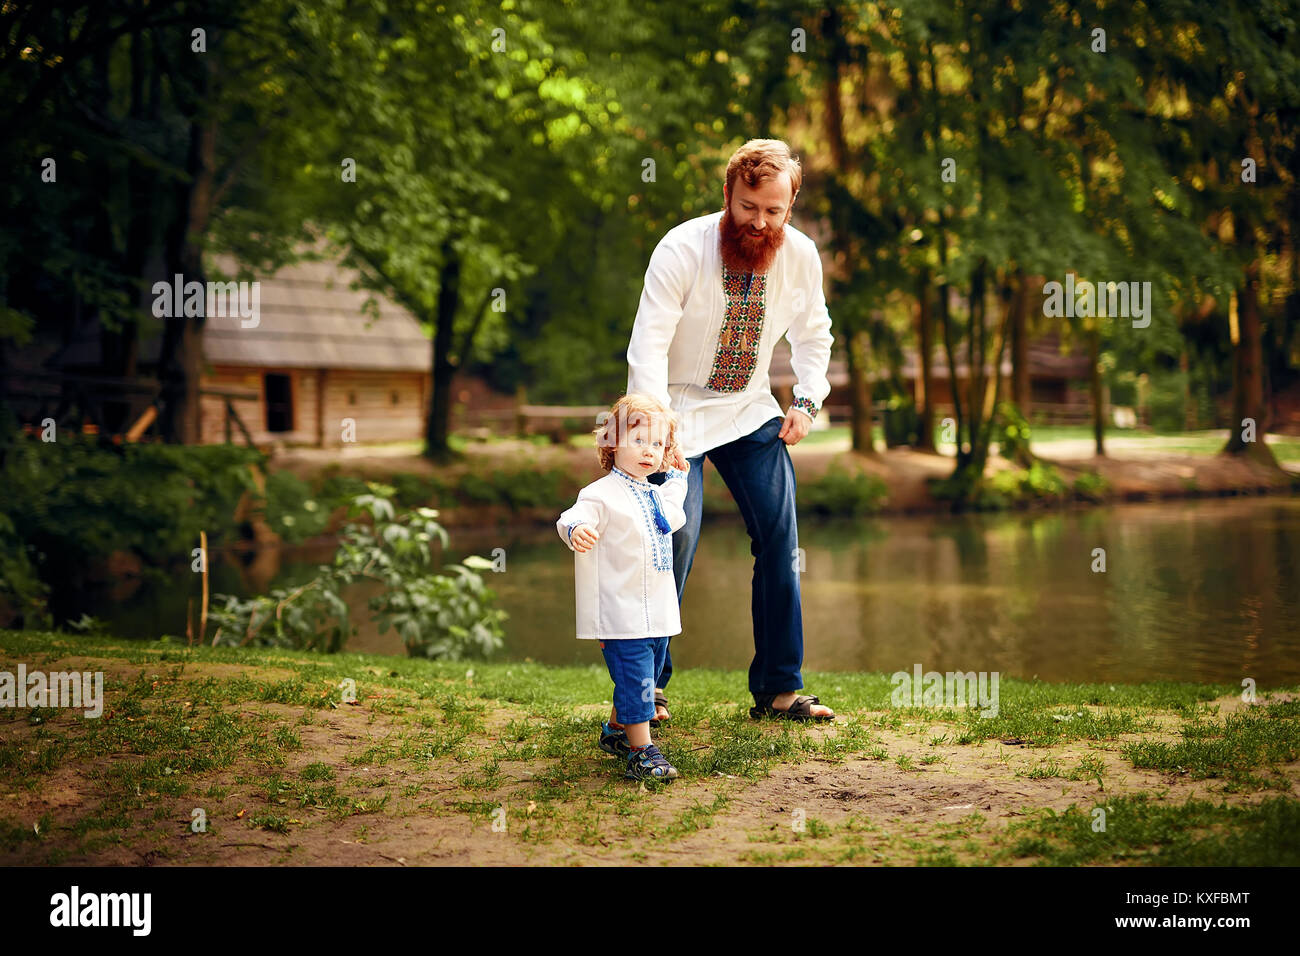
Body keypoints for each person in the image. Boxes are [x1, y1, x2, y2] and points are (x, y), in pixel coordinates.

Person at [627, 138, 835, 722]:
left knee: (780, 539)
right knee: (674, 536)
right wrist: (654, 422)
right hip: (676, 412)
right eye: (748, 207)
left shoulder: (801, 255)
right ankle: (647, 688)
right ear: (728, 194)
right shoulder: (681, 248)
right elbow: (648, 343)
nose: (759, 222)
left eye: (774, 211)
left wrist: (808, 400)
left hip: (749, 408)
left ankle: (778, 688)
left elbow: (814, 335)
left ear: (789, 207)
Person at [556, 393, 691, 780]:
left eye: (658, 444)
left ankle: (616, 730)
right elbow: (572, 516)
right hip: (621, 611)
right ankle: (641, 750)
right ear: (611, 442)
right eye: (638, 440)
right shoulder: (600, 494)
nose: (649, 451)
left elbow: (673, 513)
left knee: (647, 669)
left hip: (657, 611)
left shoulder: (654, 494)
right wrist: (576, 529)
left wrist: (679, 475)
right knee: (638, 678)